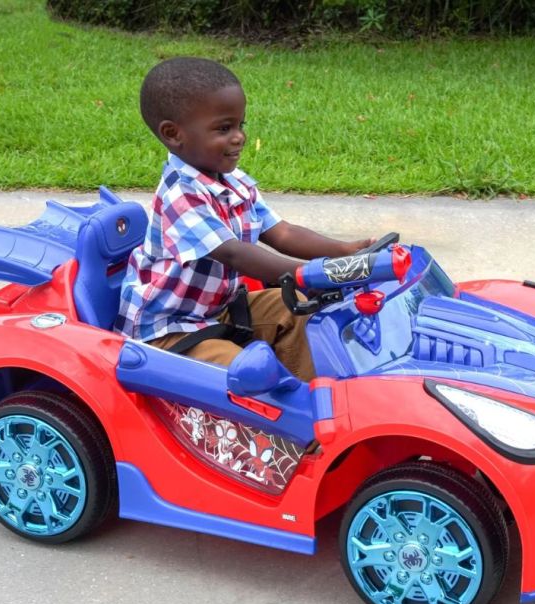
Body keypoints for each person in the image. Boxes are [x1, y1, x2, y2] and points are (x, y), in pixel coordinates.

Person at [115, 57, 372, 381]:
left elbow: (283, 233)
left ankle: (314, 399)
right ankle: (274, 419)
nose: (239, 137)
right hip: (168, 332)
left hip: (217, 310)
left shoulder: (232, 181)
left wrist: (345, 253)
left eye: (241, 126)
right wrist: (311, 274)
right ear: (173, 134)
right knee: (242, 373)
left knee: (297, 309)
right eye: (224, 128)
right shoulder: (179, 196)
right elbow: (234, 253)